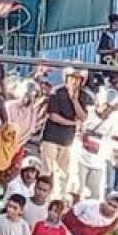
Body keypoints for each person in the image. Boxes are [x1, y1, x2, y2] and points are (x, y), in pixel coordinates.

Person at [40, 68, 91, 197]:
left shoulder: (83, 96)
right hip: (51, 138)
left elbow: (83, 117)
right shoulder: (57, 92)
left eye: (78, 79)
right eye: (72, 78)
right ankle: (43, 197)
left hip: (67, 140)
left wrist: (74, 100)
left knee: (63, 173)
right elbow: (53, 116)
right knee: (47, 170)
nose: (74, 82)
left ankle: (58, 199)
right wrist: (73, 123)